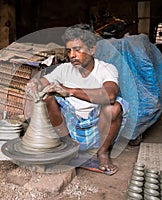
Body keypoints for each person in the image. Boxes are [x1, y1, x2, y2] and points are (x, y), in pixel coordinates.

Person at [26, 24, 129, 173]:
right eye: (69, 50)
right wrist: (35, 83)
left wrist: (70, 91)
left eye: (77, 49)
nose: (72, 55)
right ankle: (69, 148)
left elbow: (110, 94)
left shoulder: (106, 69)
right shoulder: (63, 69)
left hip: (97, 127)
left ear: (92, 49)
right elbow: (43, 82)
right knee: (48, 98)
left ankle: (103, 152)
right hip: (71, 127)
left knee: (113, 107)